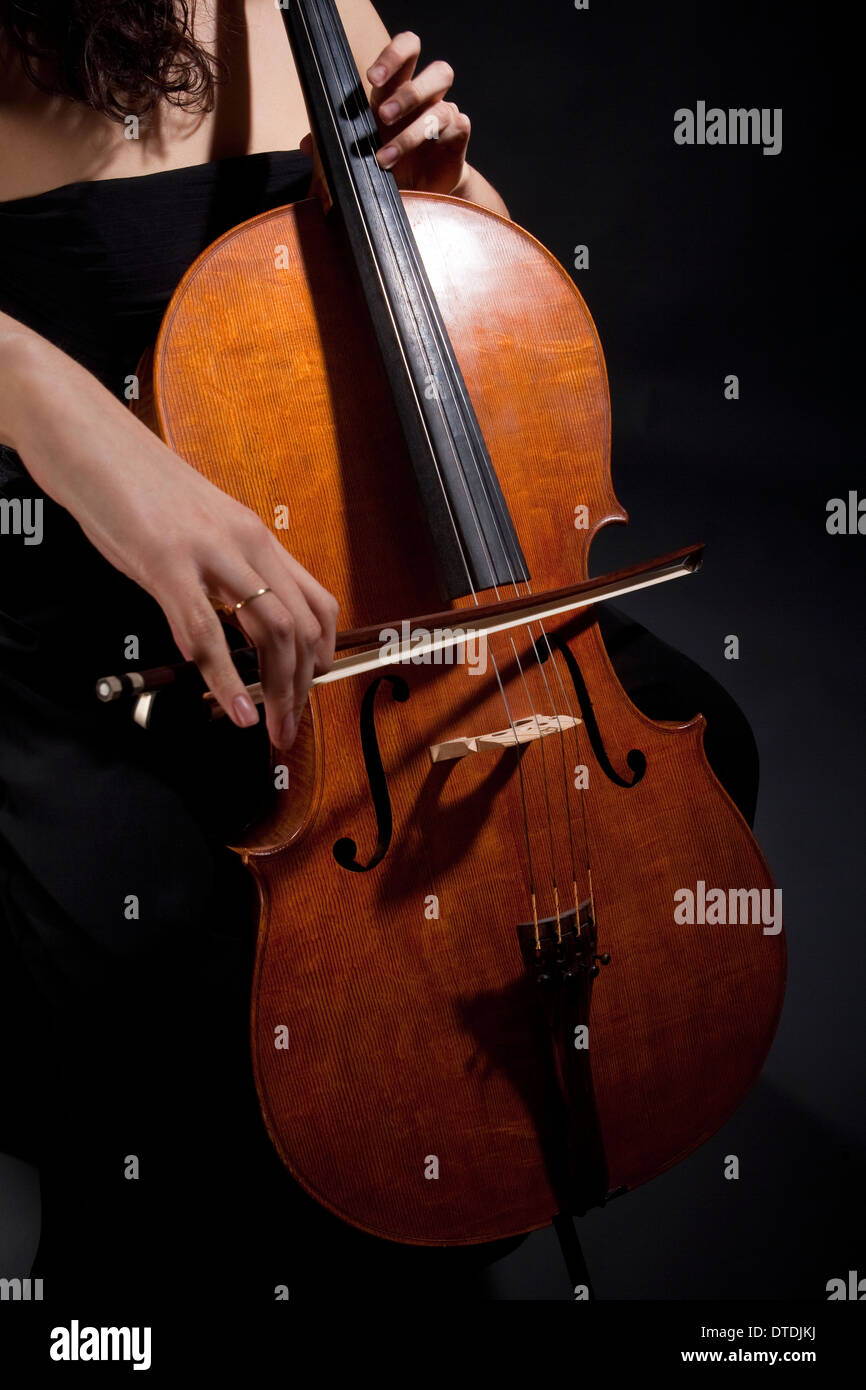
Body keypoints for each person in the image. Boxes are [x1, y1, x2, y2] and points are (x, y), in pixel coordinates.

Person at [0, 0, 758, 1312]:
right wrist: (60, 415)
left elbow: (500, 335)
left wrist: (444, 198)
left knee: (687, 746)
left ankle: (420, 1228)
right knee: (184, 982)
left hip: (366, 593)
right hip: (93, 641)